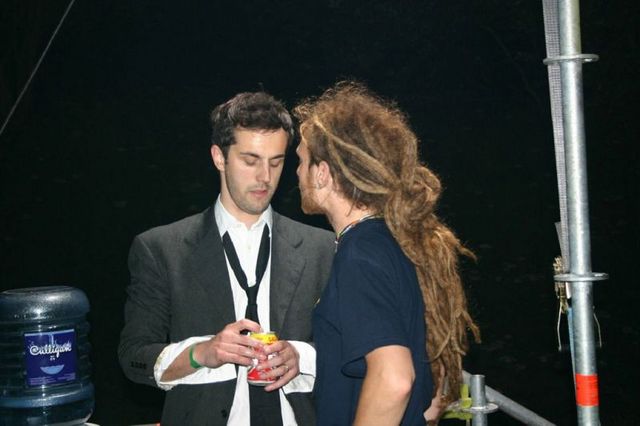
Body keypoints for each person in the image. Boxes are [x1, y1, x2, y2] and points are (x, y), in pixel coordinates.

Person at [118, 91, 334, 426]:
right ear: (219, 157)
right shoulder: (161, 248)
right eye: (250, 160)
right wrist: (201, 353)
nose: (265, 177)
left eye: (276, 162)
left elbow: (358, 352)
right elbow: (133, 358)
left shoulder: (322, 247)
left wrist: (302, 357)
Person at [293, 82, 480, 425]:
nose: (297, 172)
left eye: (302, 161)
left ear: (323, 174)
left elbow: (394, 380)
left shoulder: (359, 253)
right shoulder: (397, 243)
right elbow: (431, 386)